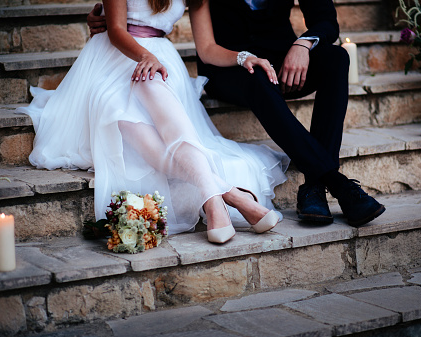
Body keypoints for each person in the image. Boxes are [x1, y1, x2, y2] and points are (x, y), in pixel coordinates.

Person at [88, 0, 386, 227]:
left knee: (336, 58)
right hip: (228, 67)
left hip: (283, 60)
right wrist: (105, 10)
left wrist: (304, 43)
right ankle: (338, 184)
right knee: (256, 76)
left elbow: (325, 20)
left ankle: (314, 185)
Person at [17, 0, 291, 244]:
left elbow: (207, 49)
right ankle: (226, 196)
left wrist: (243, 57)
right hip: (115, 59)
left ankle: (218, 198)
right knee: (119, 112)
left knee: (152, 83)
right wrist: (146, 56)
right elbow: (115, 29)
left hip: (161, 61)